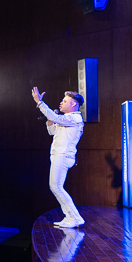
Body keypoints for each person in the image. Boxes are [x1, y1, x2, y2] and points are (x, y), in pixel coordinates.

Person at [32, 87, 85, 228]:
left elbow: (56, 118)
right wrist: (50, 122)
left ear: (73, 104)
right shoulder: (67, 119)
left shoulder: (74, 118)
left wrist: (39, 102)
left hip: (63, 156)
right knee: (56, 187)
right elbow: (53, 132)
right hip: (58, 155)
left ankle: (74, 217)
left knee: (56, 187)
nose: (61, 103)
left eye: (65, 101)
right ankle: (71, 217)